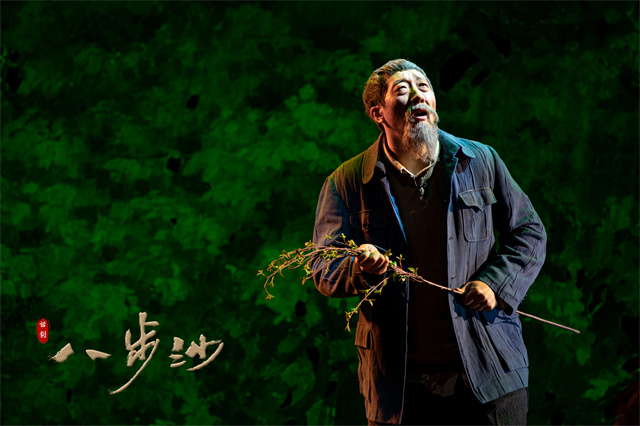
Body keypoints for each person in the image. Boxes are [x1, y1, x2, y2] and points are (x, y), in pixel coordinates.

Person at [311, 59, 546, 425]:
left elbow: (528, 232)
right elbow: (324, 267)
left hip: (490, 377)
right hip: (400, 391)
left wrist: (493, 284)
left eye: (423, 87)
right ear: (378, 113)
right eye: (402, 90)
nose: (418, 95)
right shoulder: (347, 182)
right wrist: (359, 266)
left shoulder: (480, 161)